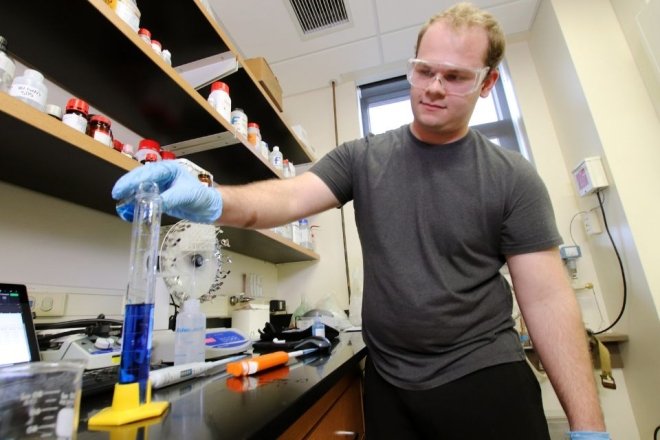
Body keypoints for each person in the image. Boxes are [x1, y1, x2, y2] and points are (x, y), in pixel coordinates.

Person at [113, 3, 610, 438]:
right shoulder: (363, 158)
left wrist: (589, 428)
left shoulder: (512, 177)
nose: (434, 88)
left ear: (487, 84)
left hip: (484, 378)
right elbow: (284, 200)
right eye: (424, 70)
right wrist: (207, 197)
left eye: (456, 76)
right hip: (390, 383)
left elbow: (547, 300)